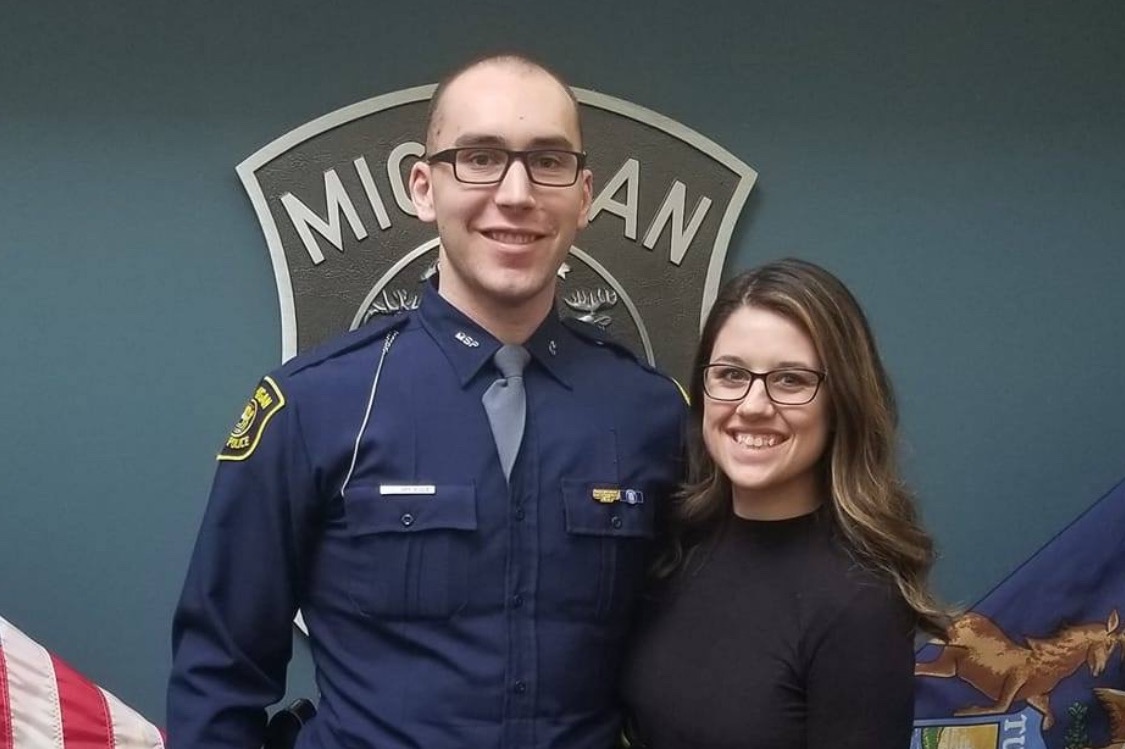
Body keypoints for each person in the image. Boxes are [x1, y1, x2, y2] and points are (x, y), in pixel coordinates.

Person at [167, 54, 686, 748]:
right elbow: (217, 678)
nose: (516, 193)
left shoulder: (652, 413)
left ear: (584, 194)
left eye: (548, 161)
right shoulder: (313, 406)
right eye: (479, 158)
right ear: (423, 187)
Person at [620, 258, 948, 749]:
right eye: (731, 374)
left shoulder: (858, 605)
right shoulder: (677, 543)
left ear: (841, 401)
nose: (753, 406)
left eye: (791, 380)